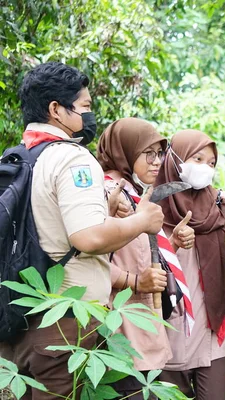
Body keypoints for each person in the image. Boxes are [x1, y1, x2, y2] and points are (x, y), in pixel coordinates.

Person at [2, 62, 164, 399]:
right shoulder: (72, 158)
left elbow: (45, 226)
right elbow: (86, 237)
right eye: (86, 106)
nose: (90, 116)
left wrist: (106, 211)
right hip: (65, 319)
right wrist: (141, 221)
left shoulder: (20, 158)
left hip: (19, 314)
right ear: (56, 109)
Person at [156, 129, 225, 400]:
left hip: (211, 325)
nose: (204, 168)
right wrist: (173, 242)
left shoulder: (216, 201)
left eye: (211, 163)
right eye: (197, 159)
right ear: (175, 158)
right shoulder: (149, 204)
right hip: (167, 323)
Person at [96, 118, 196, 398]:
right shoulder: (106, 193)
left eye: (159, 153)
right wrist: (136, 281)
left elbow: (133, 254)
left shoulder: (133, 193)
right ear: (123, 151)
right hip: (118, 330)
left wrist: (172, 243)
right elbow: (89, 262)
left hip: (139, 327)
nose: (156, 161)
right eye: (147, 153)